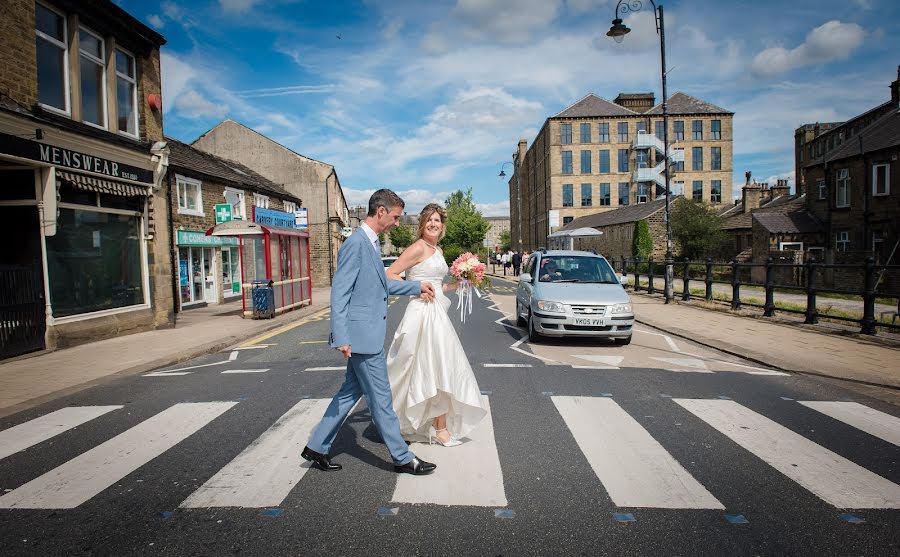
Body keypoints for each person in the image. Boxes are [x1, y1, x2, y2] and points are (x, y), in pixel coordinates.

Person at [302, 189, 438, 476]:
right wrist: (341, 336)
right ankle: (402, 458)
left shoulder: (371, 243)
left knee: (349, 393)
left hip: (366, 334)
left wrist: (416, 287)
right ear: (380, 212)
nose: (398, 223)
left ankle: (316, 446)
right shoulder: (356, 244)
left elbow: (380, 286)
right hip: (362, 338)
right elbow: (340, 293)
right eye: (396, 217)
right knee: (382, 399)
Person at [385, 203, 487, 446]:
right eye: (429, 220)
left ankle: (437, 423)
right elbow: (391, 274)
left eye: (437, 221)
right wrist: (414, 288)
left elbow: (437, 287)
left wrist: (460, 283)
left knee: (439, 368)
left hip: (438, 314)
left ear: (442, 226)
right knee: (422, 368)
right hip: (421, 314)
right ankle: (421, 422)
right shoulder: (418, 247)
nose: (433, 224)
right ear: (422, 224)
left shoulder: (437, 249)